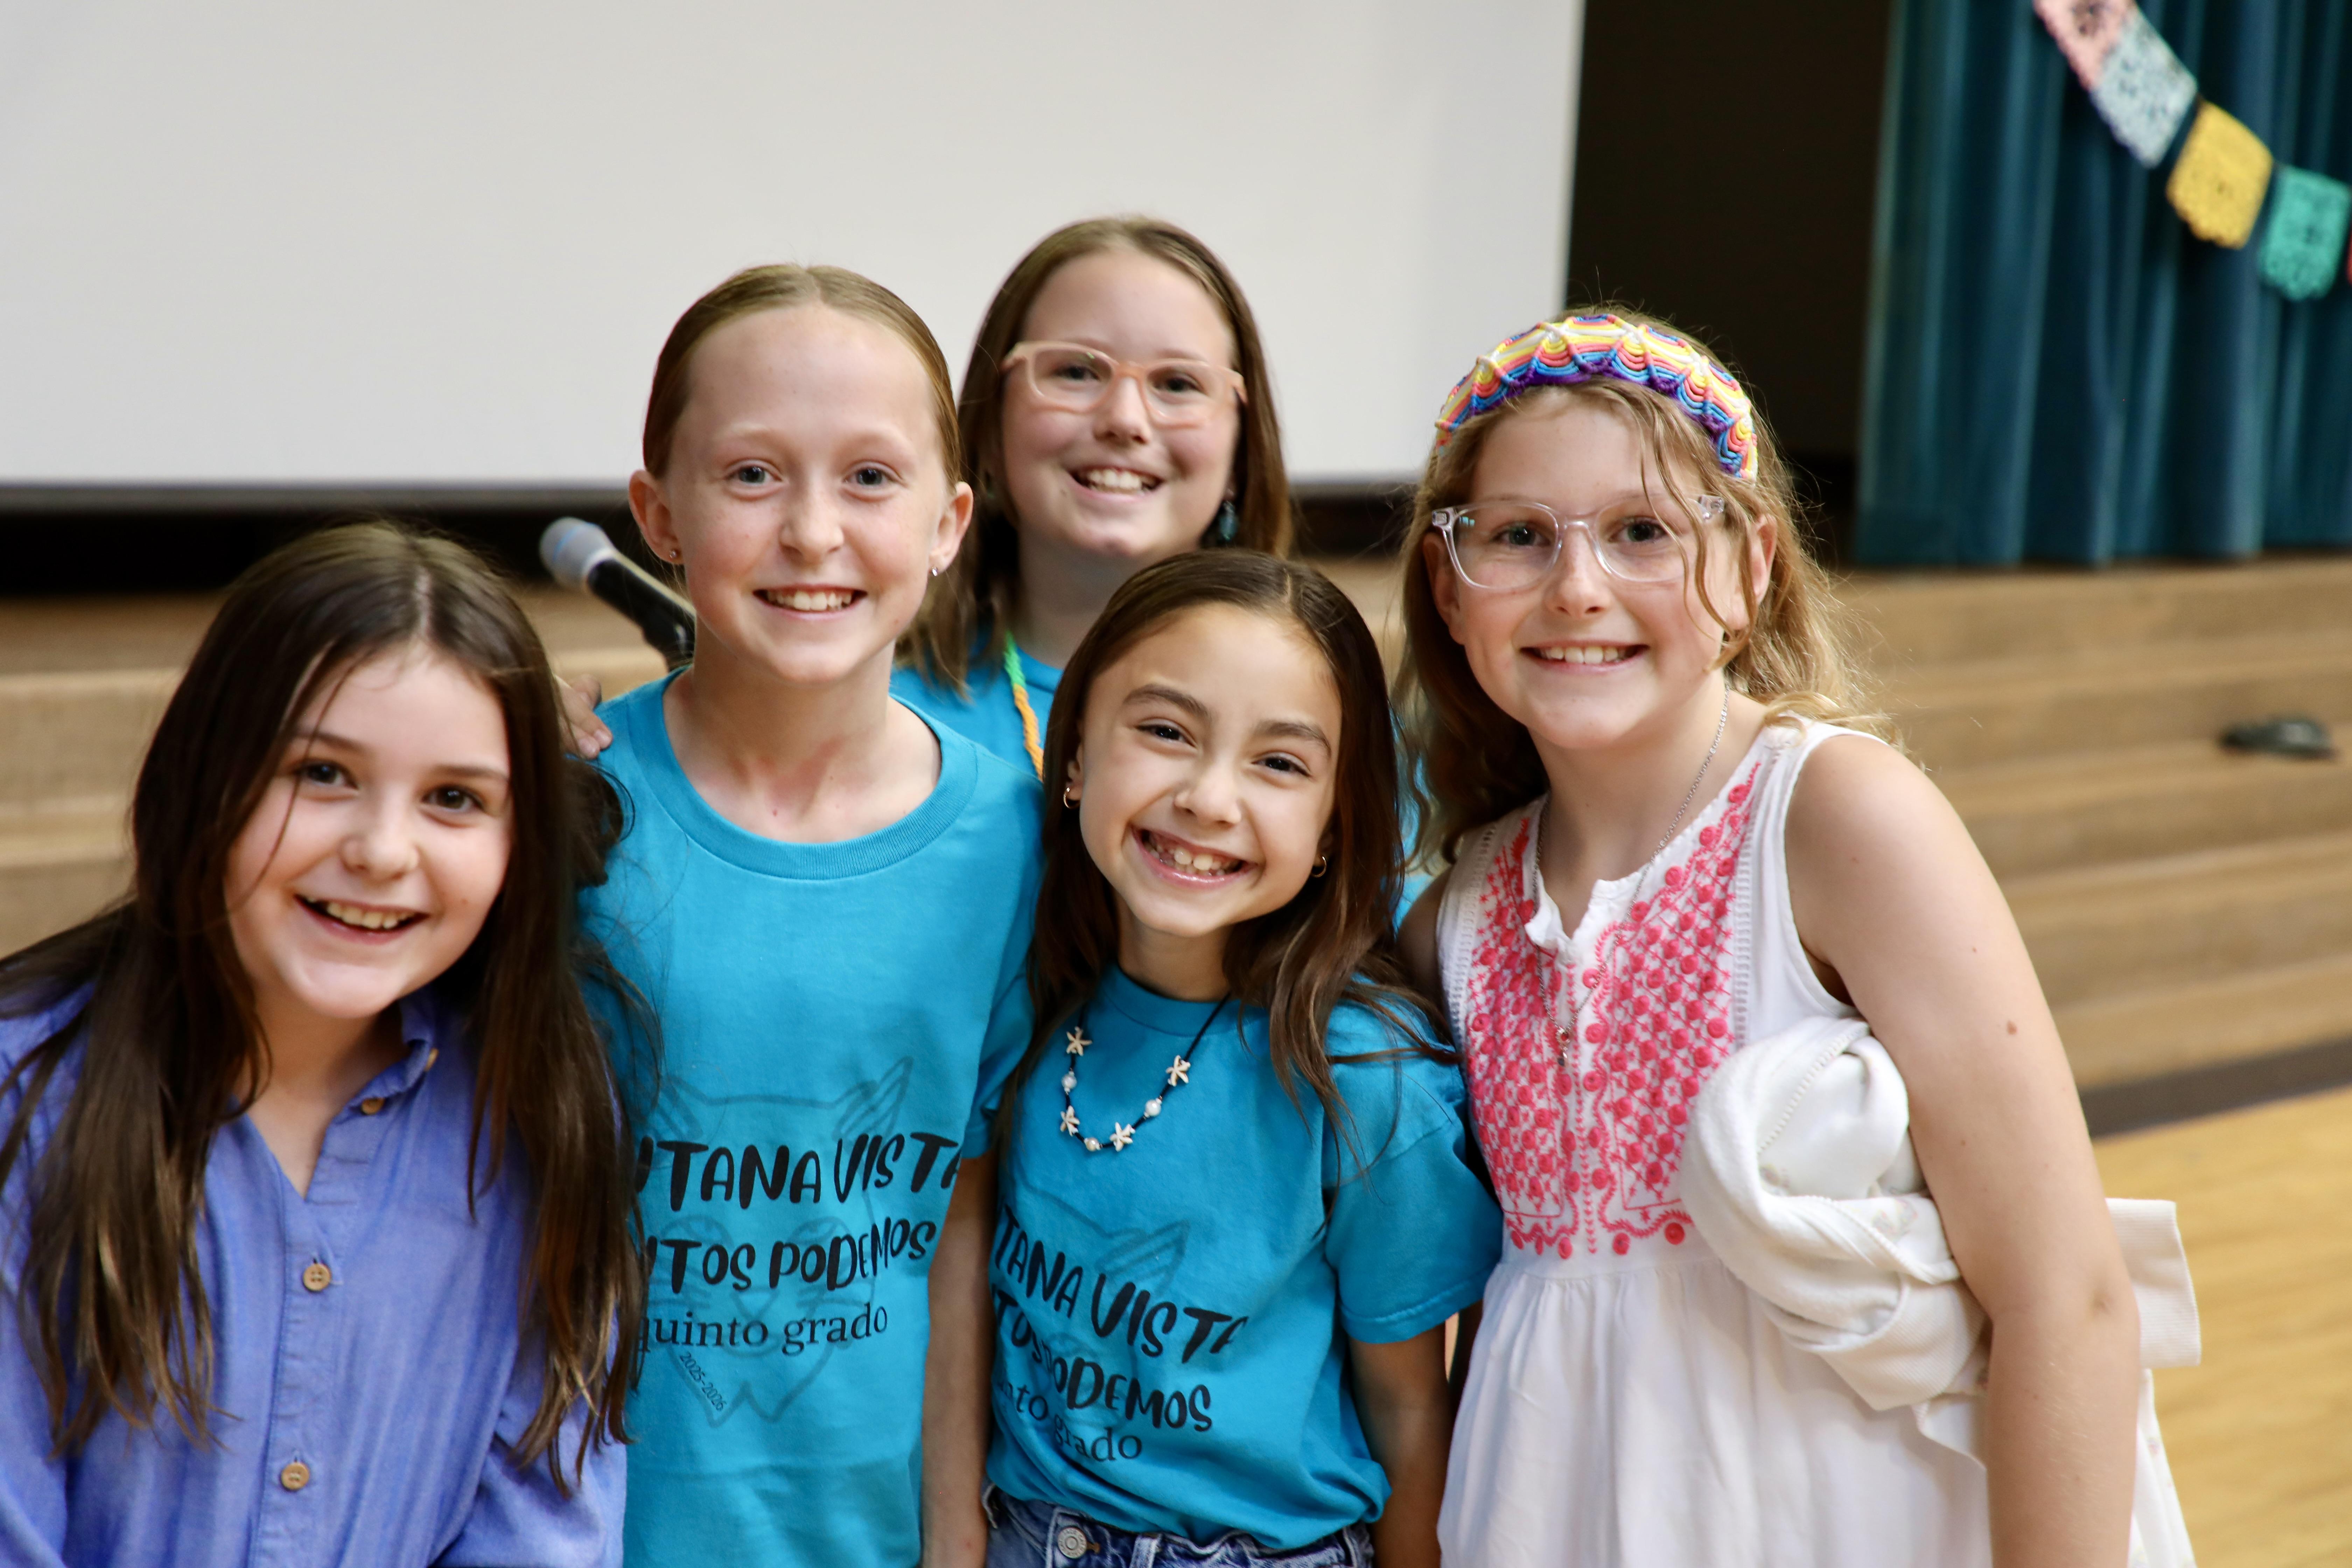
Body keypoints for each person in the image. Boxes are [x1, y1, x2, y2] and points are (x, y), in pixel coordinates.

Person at [1396, 311, 2143, 1566]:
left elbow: (2067, 1299)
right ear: (1447, 585)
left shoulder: (1835, 818)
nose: (1577, 587)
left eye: (1642, 531)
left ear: (1749, 568)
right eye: (1518, 535)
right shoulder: (1454, 924)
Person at [0, 522, 641, 1566]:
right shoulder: (25, 1101)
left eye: (455, 799)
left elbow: (543, 1523)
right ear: (205, 775)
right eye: (323, 773)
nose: (382, 850)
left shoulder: (542, 1108)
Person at [583, 264, 1040, 1568]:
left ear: (950, 521)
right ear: (657, 515)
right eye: (752, 475)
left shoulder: (1013, 842)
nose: (813, 532)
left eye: (871, 478)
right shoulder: (565, 812)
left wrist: (952, 1537)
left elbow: (962, 1225)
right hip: (586, 1529)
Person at [985, 550, 1498, 1568]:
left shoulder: (1365, 1080)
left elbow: (1408, 1408)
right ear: (1074, 752)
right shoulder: (1019, 987)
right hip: (1018, 1532)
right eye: (1166, 732)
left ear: (1334, 826)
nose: (1211, 798)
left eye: (1280, 764)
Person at [891, 216, 1294, 776]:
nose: (1124, 420)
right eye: (1077, 372)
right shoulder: (877, 712)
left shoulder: (1330, 725)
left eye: (1178, 384)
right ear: (991, 426)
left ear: (1242, 450)